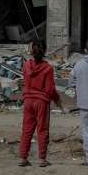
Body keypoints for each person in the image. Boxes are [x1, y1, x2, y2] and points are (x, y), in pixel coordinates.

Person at [19, 39, 62, 167]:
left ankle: (22, 157)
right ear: (45, 51)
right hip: (41, 102)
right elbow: (50, 89)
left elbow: (25, 80)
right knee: (42, 130)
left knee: (27, 130)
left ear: (31, 51)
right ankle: (42, 159)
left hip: (28, 100)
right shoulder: (48, 68)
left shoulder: (26, 65)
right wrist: (57, 99)